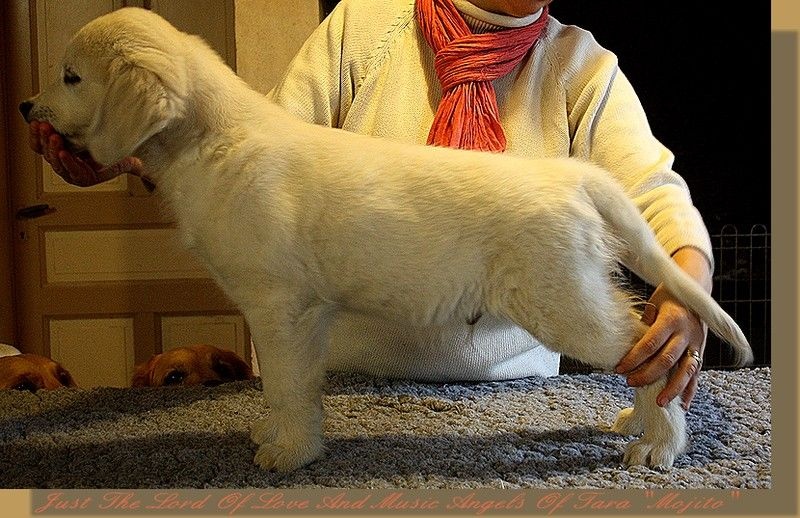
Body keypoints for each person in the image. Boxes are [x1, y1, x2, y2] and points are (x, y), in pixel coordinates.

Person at [28, 0, 714, 411]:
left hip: (507, 395)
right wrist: (137, 150)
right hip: (342, 386)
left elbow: (651, 190)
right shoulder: (363, 26)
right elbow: (254, 164)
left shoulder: (583, 67)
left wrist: (686, 288)